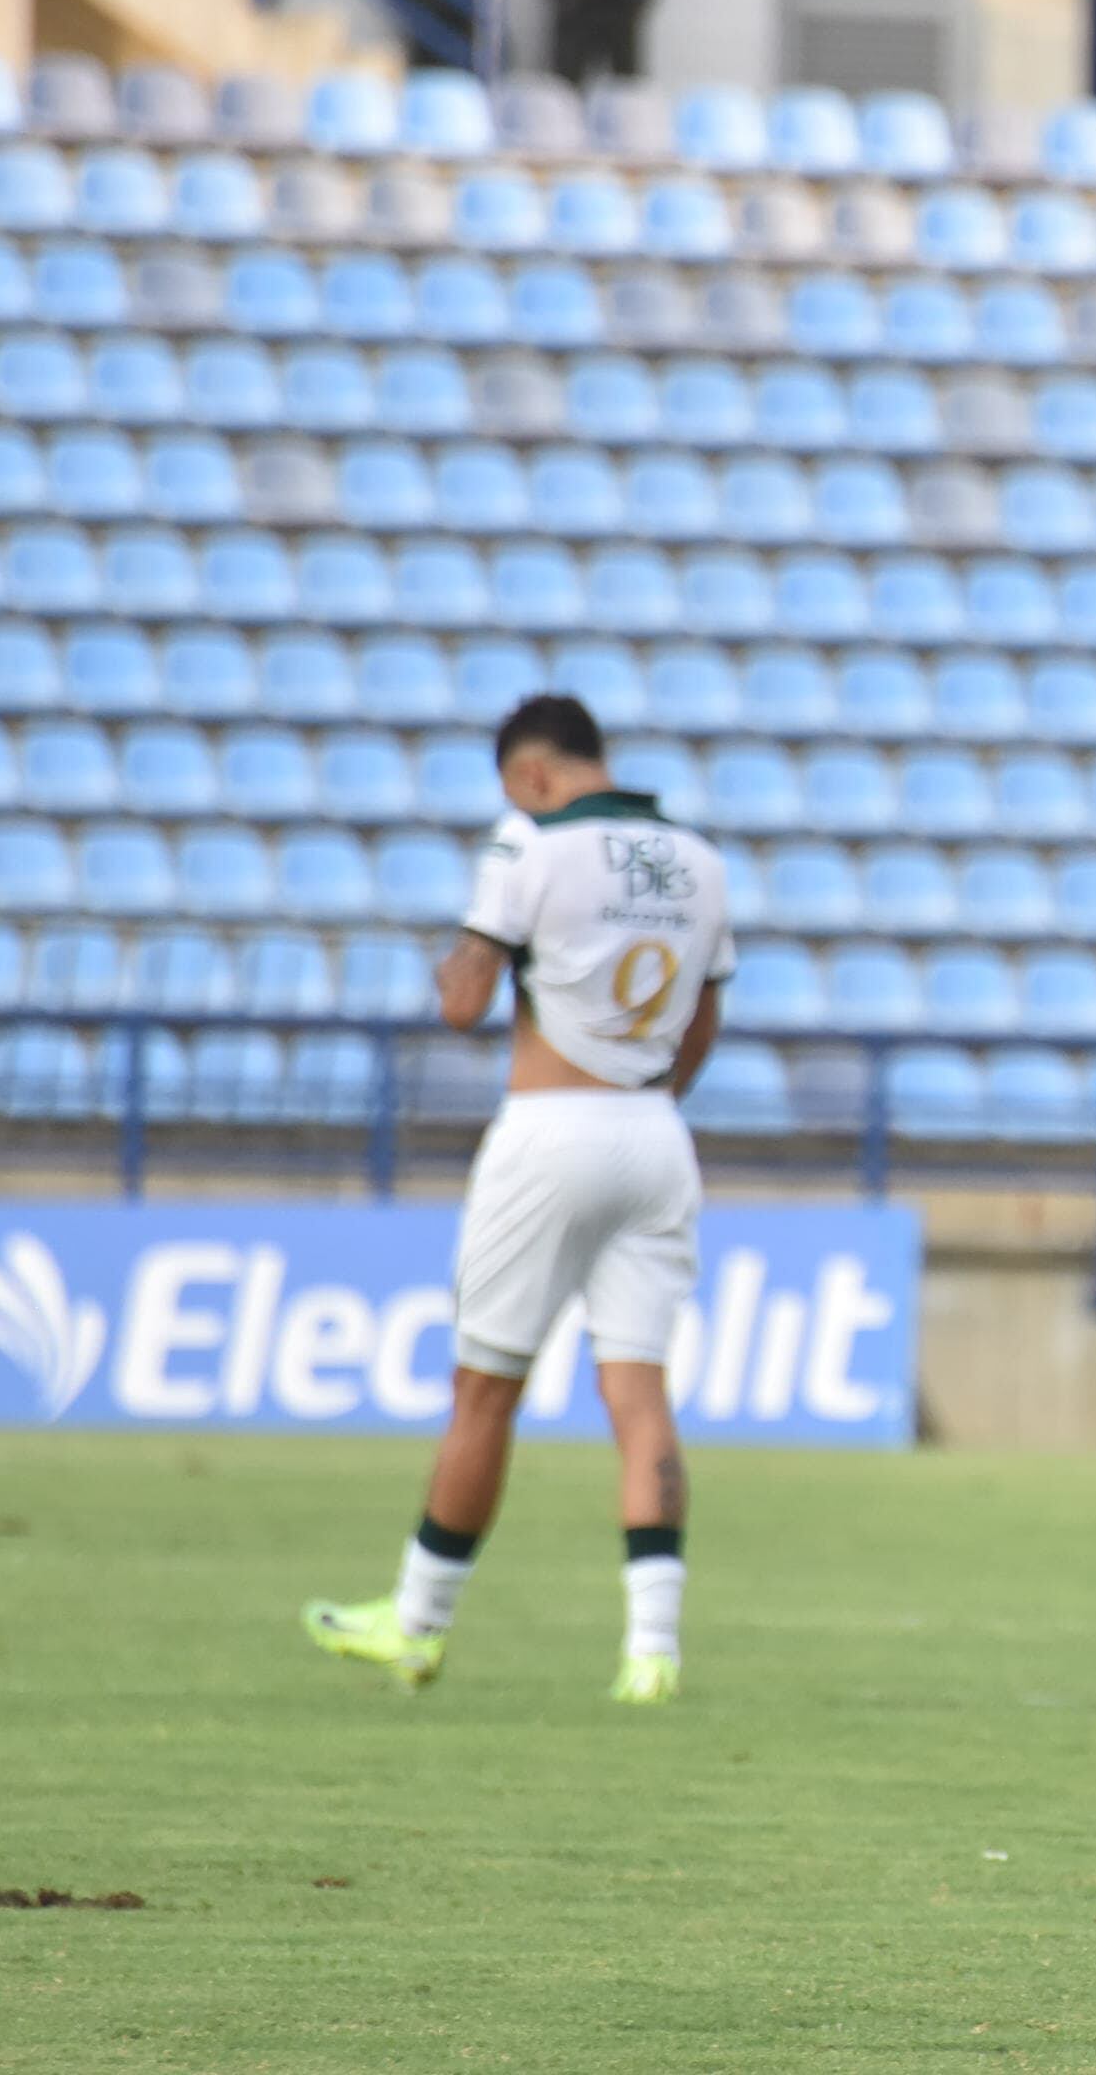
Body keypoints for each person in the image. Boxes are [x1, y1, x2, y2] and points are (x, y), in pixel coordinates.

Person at [302, 695, 737, 1705]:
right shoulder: (698, 859)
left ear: (531, 774)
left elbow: (462, 1003)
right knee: (638, 1394)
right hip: (654, 1132)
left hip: (549, 1132)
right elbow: (705, 1015)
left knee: (487, 1388)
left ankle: (416, 1622)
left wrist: (470, 922)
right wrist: (655, 1100)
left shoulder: (530, 846)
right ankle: (652, 1649)